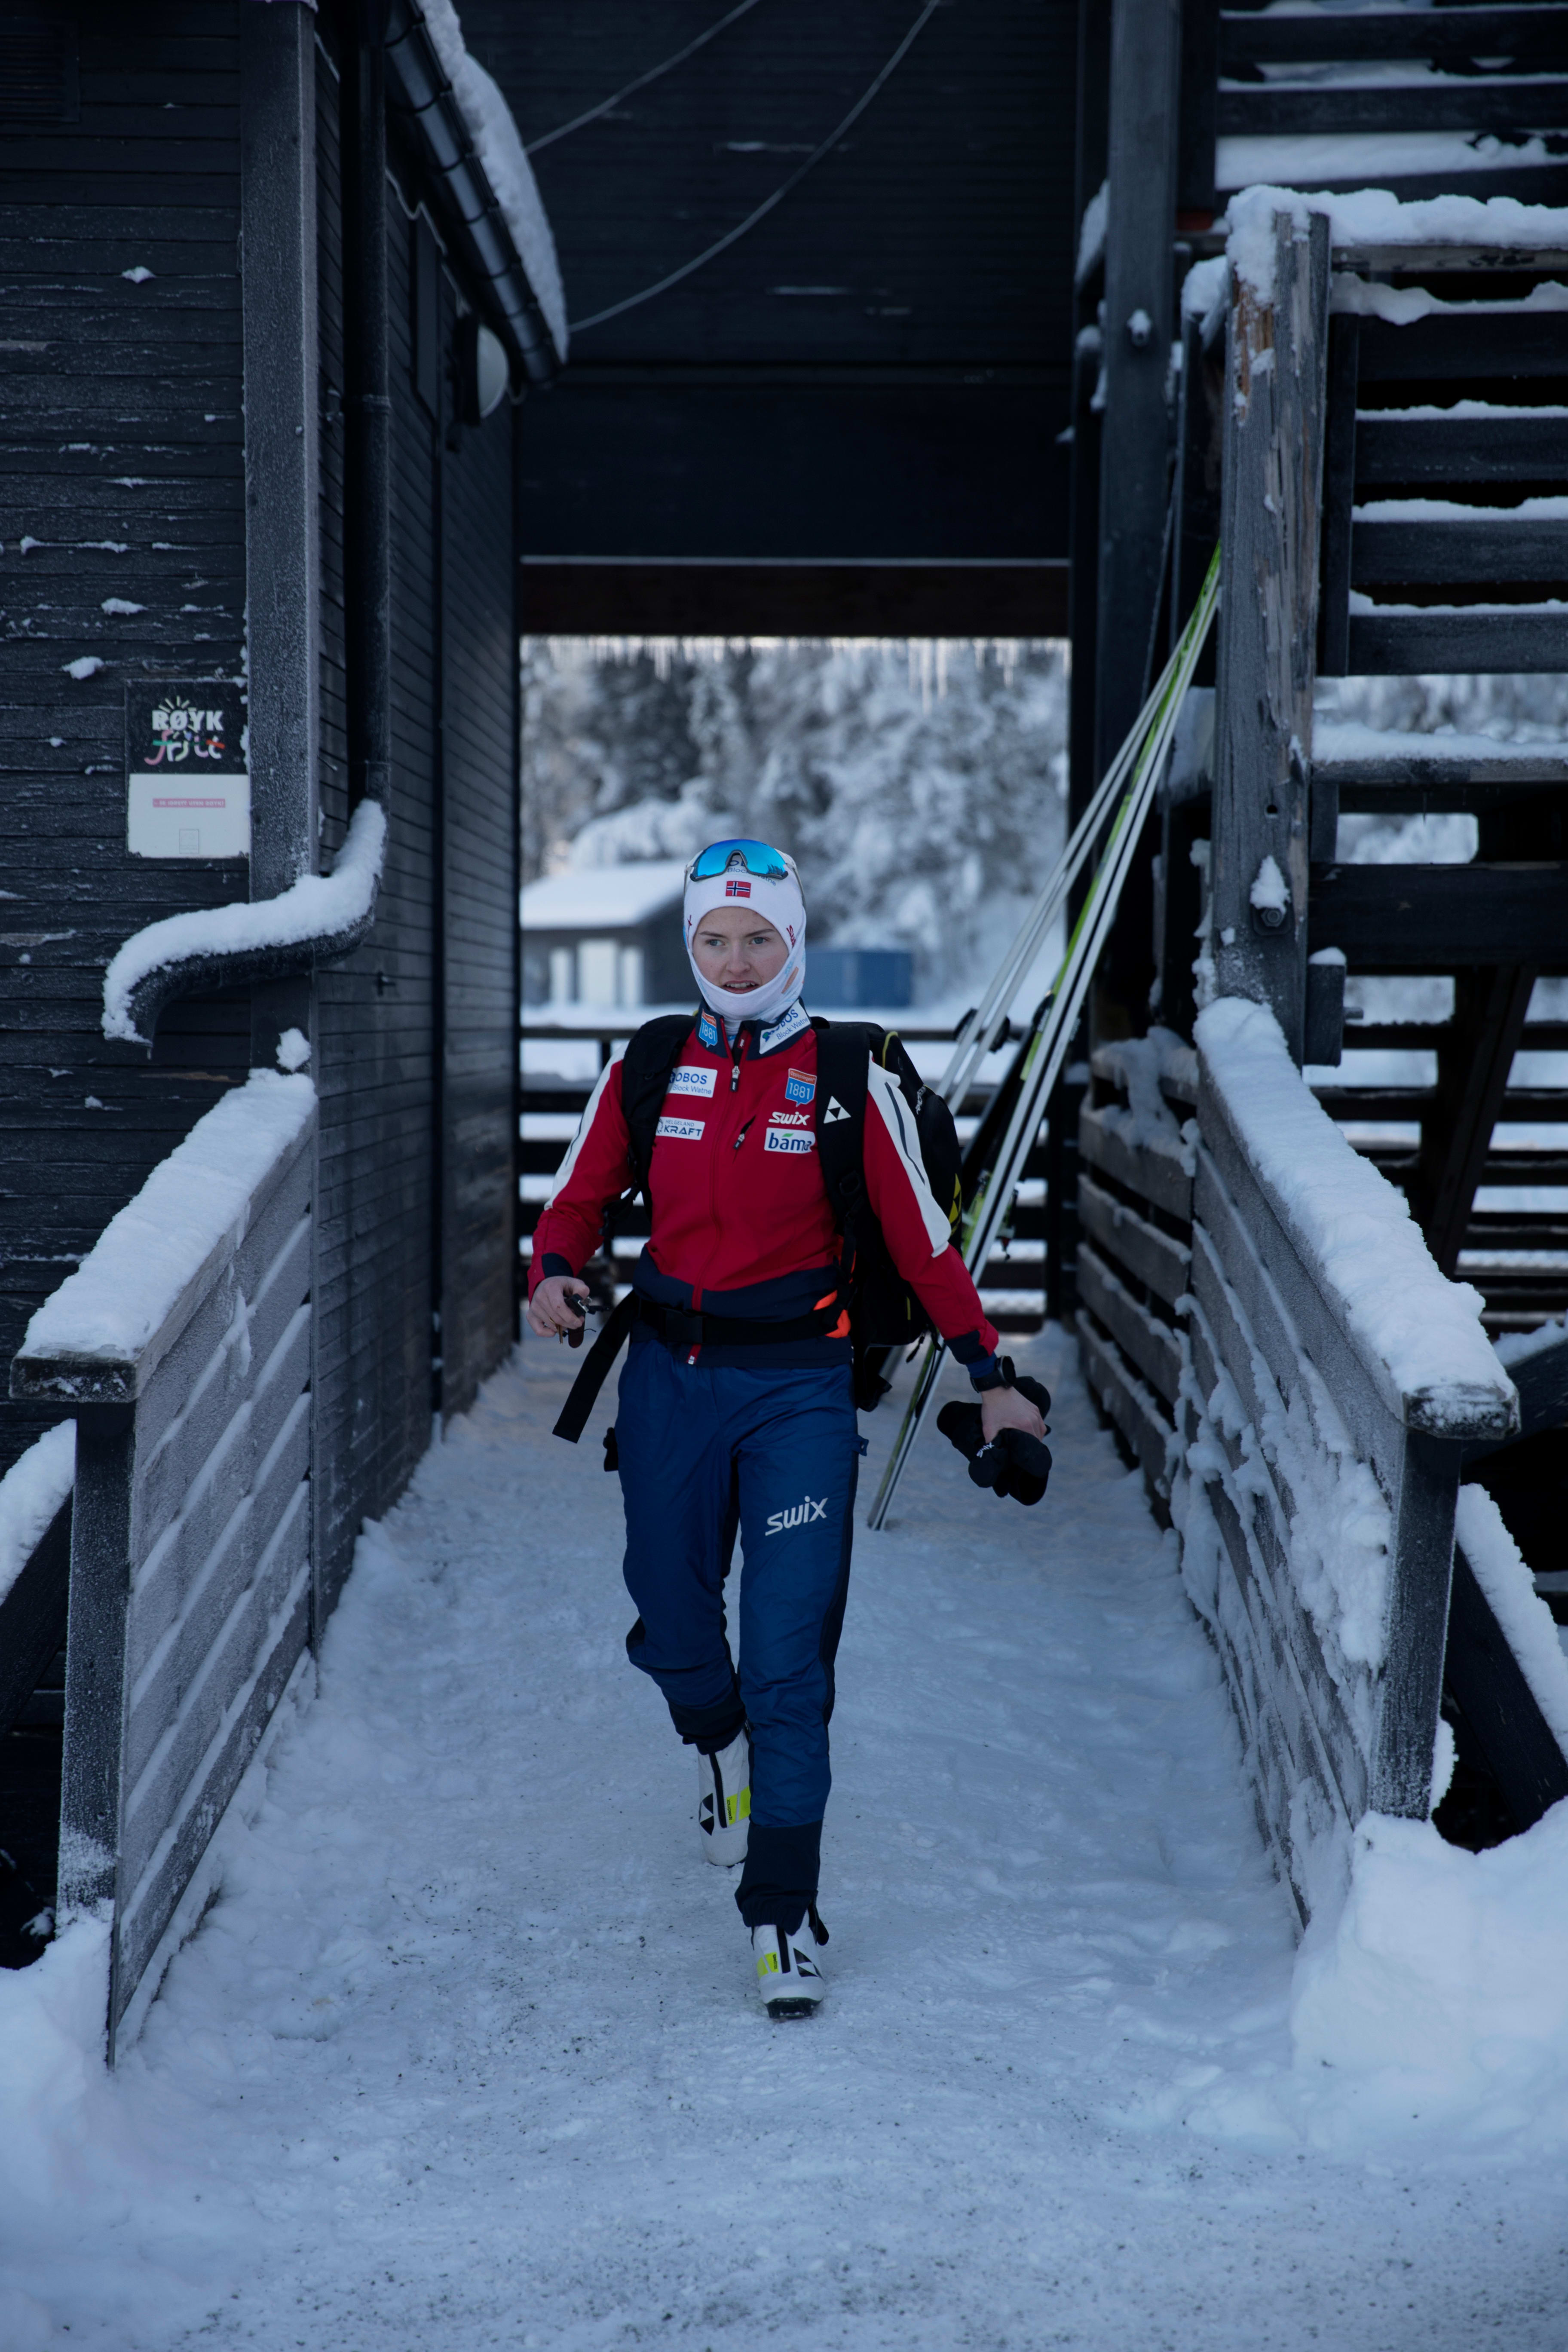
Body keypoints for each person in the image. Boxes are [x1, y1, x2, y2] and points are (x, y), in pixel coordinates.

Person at [527, 839, 1046, 2017]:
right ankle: (718, 1744)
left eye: (760, 939)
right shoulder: (650, 1063)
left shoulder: (846, 1076)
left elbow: (923, 1243)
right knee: (670, 1619)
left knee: (787, 1657)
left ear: (795, 941)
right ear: (691, 947)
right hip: (668, 1381)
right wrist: (554, 1270)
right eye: (716, 940)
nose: (738, 961)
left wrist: (992, 1373)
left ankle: (783, 1913)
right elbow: (576, 1199)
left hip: (800, 1388)